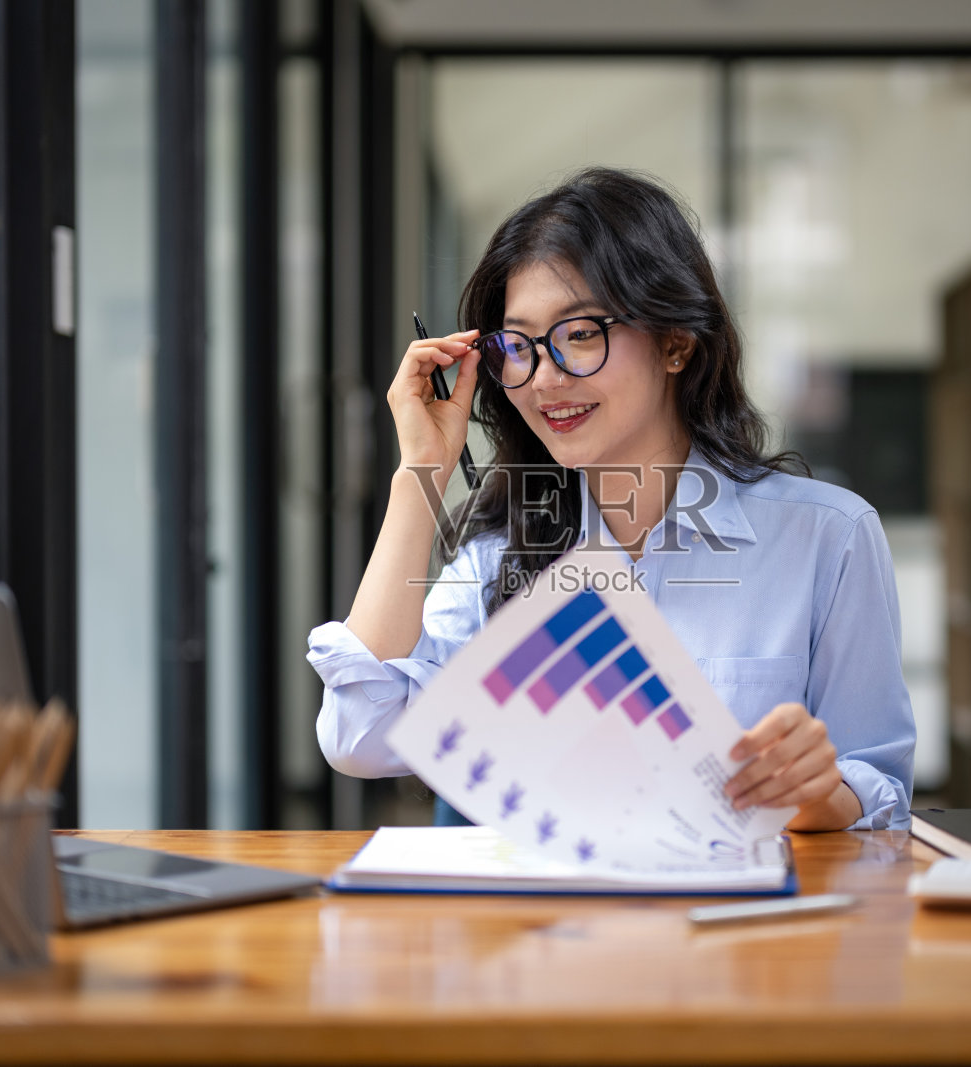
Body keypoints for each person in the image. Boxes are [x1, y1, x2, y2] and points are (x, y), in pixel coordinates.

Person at [309, 167, 914, 831]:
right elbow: (358, 735)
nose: (544, 378)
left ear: (676, 343)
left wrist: (813, 792)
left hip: (741, 925)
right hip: (551, 928)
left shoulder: (828, 538)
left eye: (580, 334)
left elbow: (878, 785)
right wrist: (420, 469)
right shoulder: (501, 553)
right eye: (519, 346)